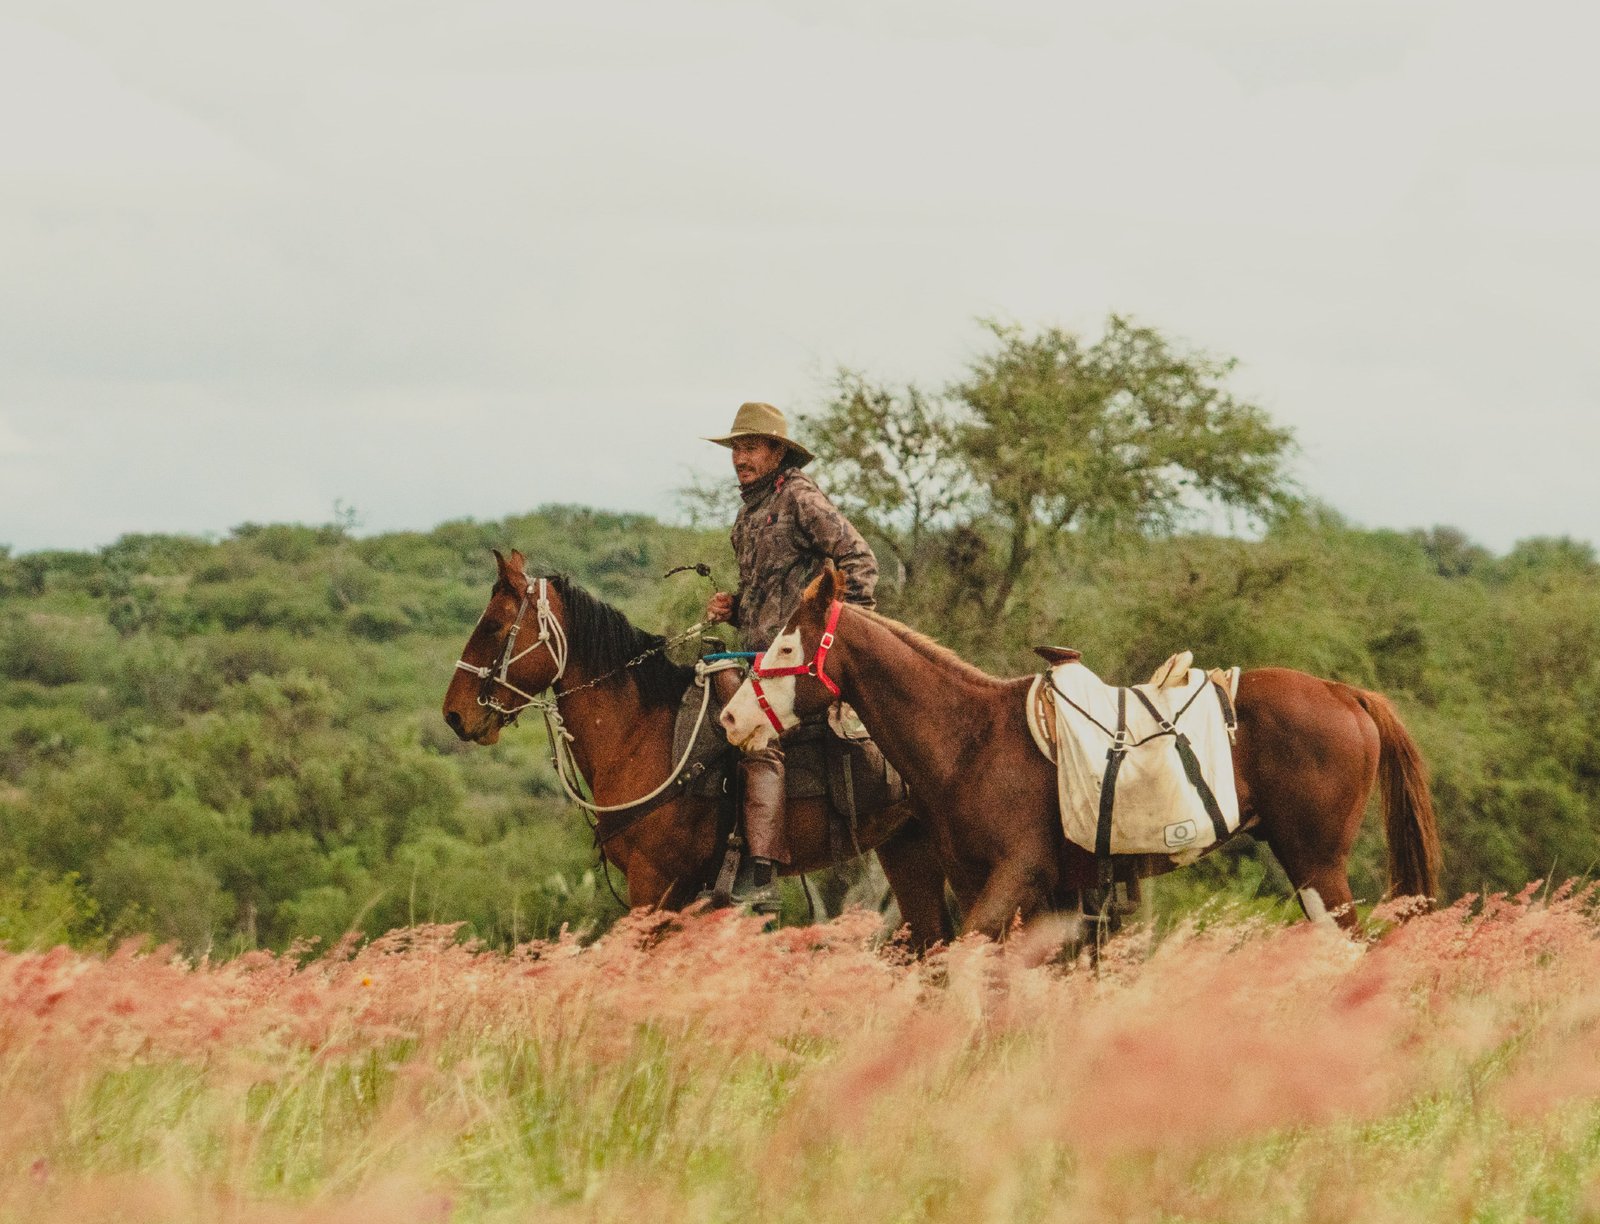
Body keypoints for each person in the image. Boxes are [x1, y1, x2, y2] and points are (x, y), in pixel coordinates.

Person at [703, 401, 879, 910]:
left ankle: (760, 874)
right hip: (759, 656)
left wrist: (845, 632)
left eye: (751, 446)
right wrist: (735, 607)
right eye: (736, 447)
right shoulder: (748, 512)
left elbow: (859, 560)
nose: (740, 457)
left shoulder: (801, 497)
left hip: (799, 662)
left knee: (757, 734)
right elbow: (765, 597)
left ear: (778, 451)